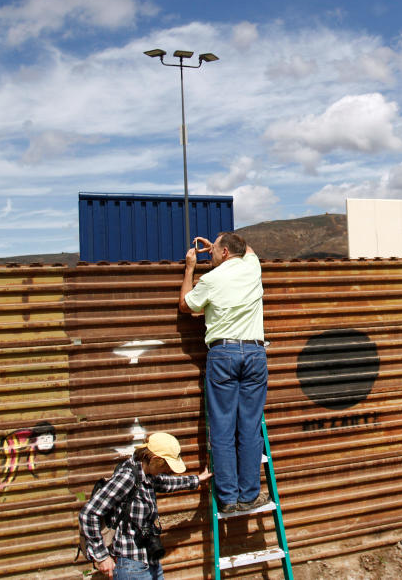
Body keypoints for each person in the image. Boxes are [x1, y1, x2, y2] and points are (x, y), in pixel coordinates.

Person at [179, 231, 268, 513]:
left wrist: (190, 267)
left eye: (215, 250)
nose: (211, 254)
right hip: (255, 353)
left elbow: (185, 305)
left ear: (226, 253)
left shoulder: (210, 280)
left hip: (224, 354)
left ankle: (228, 499)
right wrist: (219, 243)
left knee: (223, 428)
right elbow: (247, 248)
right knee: (250, 427)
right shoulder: (252, 268)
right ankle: (250, 495)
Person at [79, 432, 212, 580]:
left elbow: (165, 483)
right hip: (132, 567)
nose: (169, 471)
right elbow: (88, 514)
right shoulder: (128, 477)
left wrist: (197, 480)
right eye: (167, 465)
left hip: (151, 562)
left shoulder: (147, 473)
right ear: (155, 459)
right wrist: (102, 556)